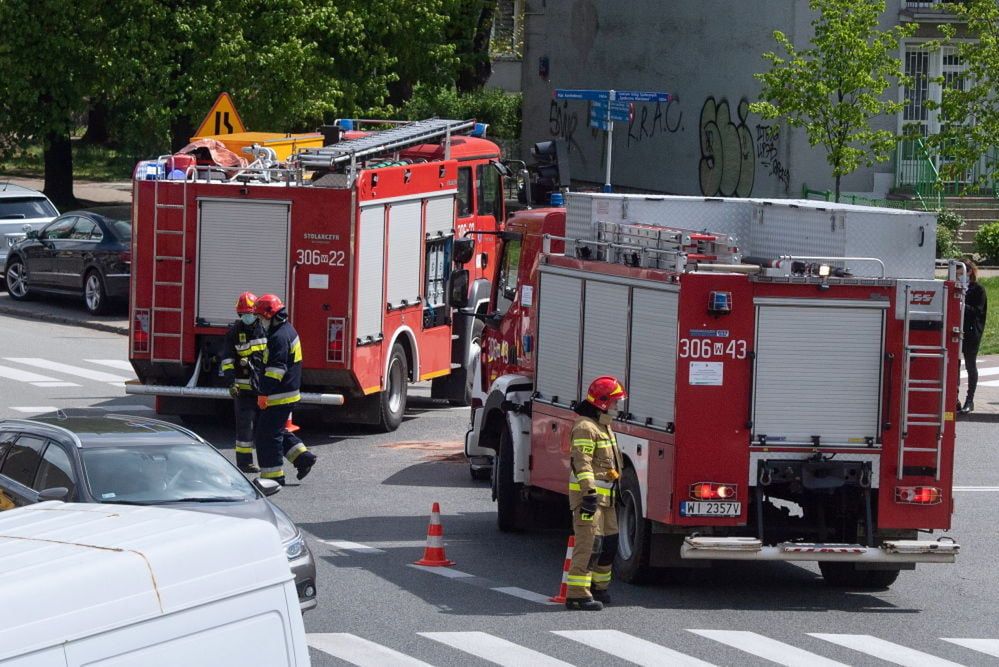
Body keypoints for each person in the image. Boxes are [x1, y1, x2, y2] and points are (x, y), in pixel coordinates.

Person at [565, 375, 627, 611]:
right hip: (589, 500)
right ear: (602, 402)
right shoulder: (585, 427)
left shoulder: (603, 425)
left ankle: (599, 588)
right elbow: (582, 463)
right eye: (615, 402)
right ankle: (577, 594)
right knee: (589, 544)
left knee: (608, 544)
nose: (618, 407)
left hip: (607, 500)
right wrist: (589, 494)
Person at [253, 294, 317, 485]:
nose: (259, 321)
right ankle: (302, 458)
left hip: (279, 394)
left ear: (270, 315)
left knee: (266, 435)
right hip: (286, 392)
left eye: (261, 317)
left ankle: (273, 477)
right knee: (276, 430)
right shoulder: (285, 330)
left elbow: (276, 370)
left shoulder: (279, 337)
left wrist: (263, 392)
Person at [220, 291, 268, 473]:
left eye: (249, 313)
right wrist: (231, 383)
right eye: (243, 314)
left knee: (267, 427)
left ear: (256, 313)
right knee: (244, 428)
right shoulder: (234, 332)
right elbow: (227, 360)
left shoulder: (265, 329)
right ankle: (244, 463)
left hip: (263, 387)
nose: (246, 317)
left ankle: (268, 459)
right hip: (243, 389)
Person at [960, 260, 988, 414]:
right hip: (955, 331)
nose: (957, 276)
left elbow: (978, 311)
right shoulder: (954, 287)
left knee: (970, 364)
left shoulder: (978, 290)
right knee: (953, 365)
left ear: (968, 271)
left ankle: (969, 399)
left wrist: (962, 305)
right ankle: (953, 398)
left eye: (959, 272)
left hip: (971, 333)